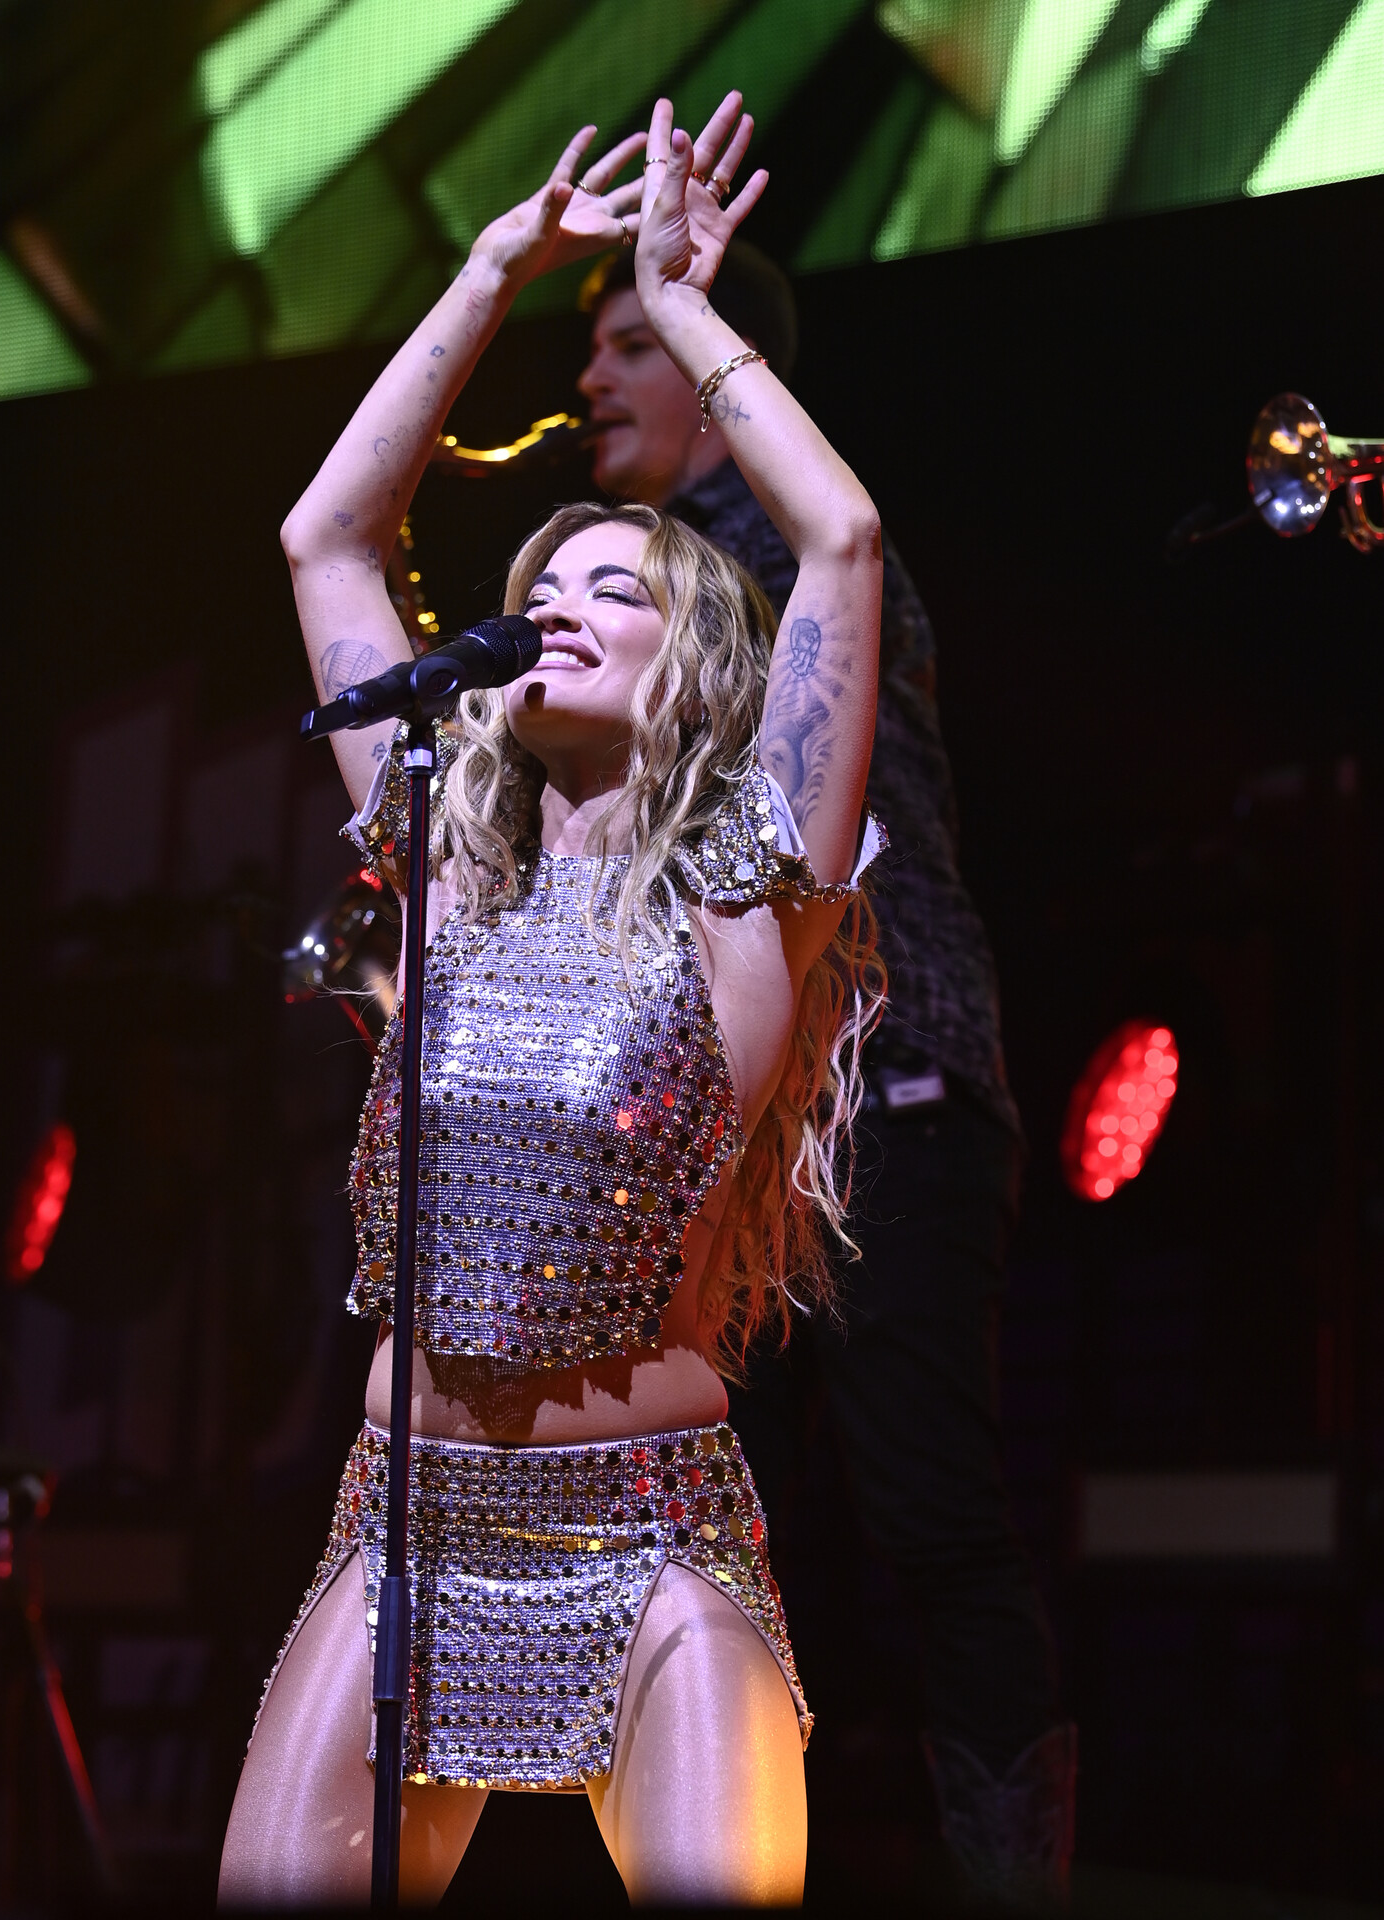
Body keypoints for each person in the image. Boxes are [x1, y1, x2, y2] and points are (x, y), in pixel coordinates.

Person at [218, 91, 886, 1908]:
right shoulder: (449, 854)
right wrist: (491, 271)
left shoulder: (744, 895)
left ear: (698, 668)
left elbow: (838, 543)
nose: (559, 604)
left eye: (614, 586)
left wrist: (680, 310)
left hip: (646, 1529)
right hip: (403, 1521)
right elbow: (325, 540)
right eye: (541, 585)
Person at [575, 237, 1076, 1901]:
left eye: (629, 346)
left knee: (927, 1515)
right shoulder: (646, 574)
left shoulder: (784, 557)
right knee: (719, 1530)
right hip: (723, 1133)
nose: (587, 380)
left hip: (887, 1099)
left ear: (718, 377)